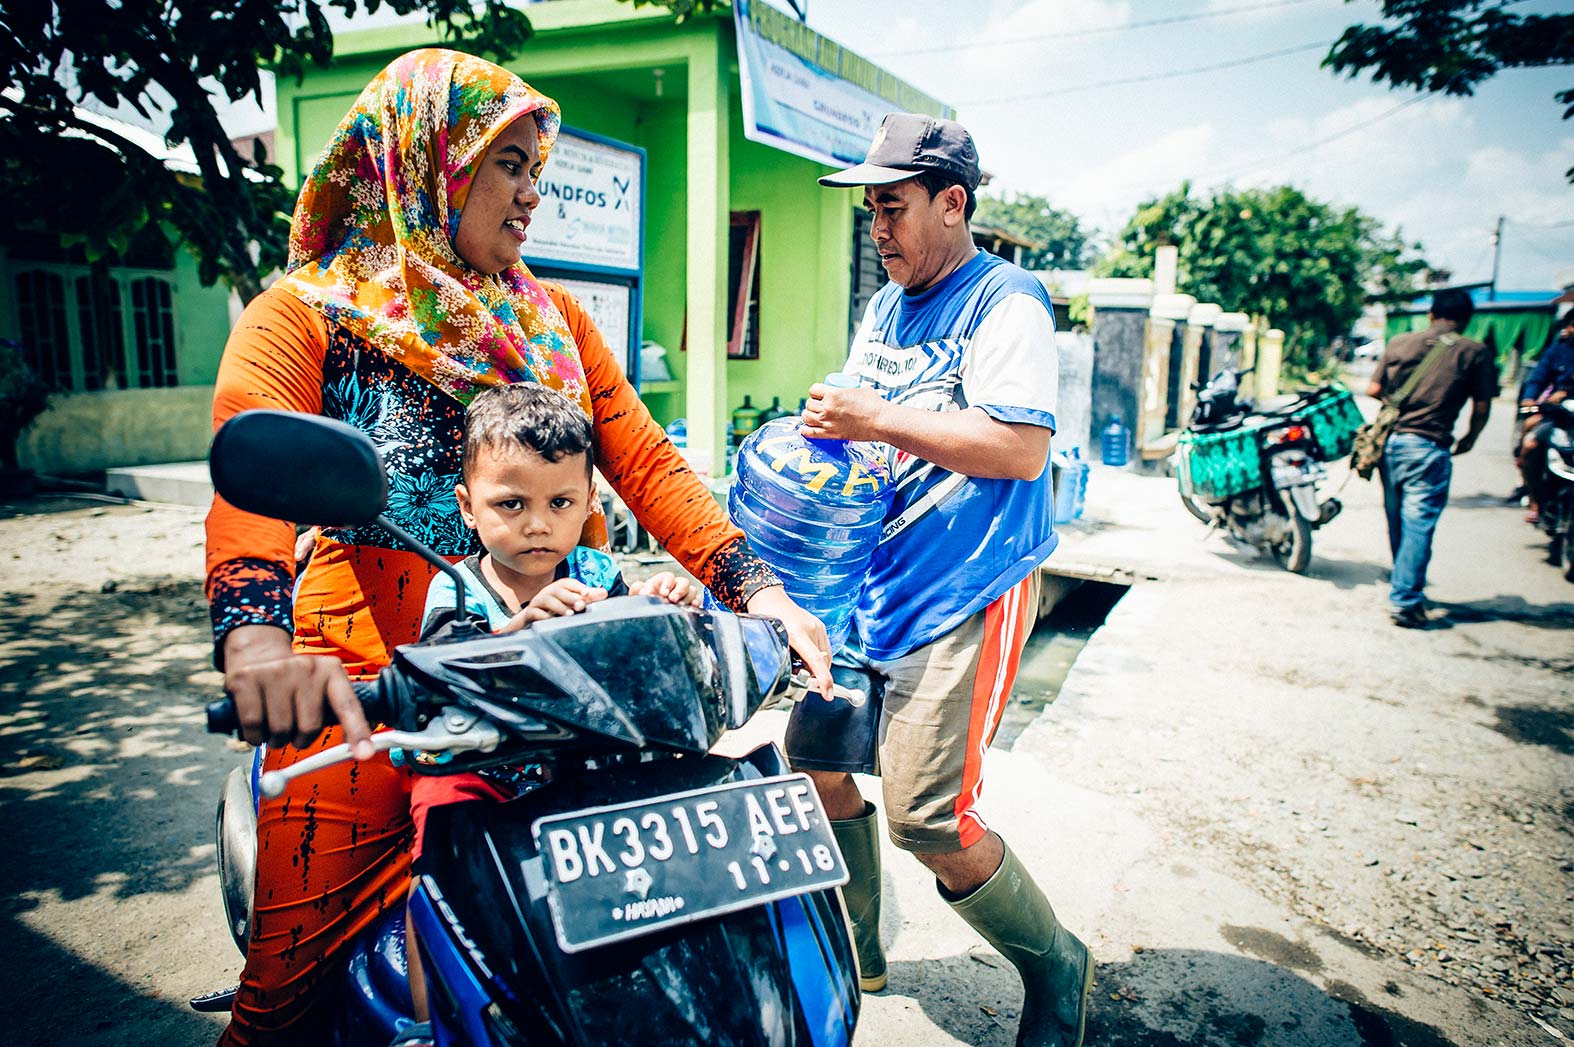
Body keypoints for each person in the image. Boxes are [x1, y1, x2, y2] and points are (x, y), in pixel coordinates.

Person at [205, 48, 832, 1045]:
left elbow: (647, 463)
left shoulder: (550, 320)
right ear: (429, 160)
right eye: (509, 163)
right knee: (288, 984)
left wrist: (754, 590)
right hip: (371, 670)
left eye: (538, 168)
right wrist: (254, 642)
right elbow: (250, 475)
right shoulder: (309, 312)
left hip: (559, 649)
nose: (531, 193)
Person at [794, 112, 1091, 1047]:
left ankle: (1059, 969)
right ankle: (860, 945)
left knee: (929, 819)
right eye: (869, 212)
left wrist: (873, 416)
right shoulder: (886, 304)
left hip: (966, 591)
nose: (876, 229)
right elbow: (867, 425)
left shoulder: (1006, 301)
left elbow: (1019, 446)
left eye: (892, 208)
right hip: (870, 587)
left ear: (952, 203)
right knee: (816, 762)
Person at [398, 383, 698, 1042]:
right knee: (436, 867)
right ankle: (428, 1021)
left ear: (590, 502)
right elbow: (447, 663)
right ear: (468, 507)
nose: (538, 524)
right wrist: (520, 629)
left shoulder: (595, 569)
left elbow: (632, 649)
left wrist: (659, 600)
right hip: (478, 769)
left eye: (560, 502)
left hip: (577, 766)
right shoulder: (455, 586)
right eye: (512, 504)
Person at [1366, 288, 1497, 628]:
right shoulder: (1474, 352)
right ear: (1467, 319)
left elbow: (1373, 390)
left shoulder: (1399, 344)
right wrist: (1470, 436)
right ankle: (1406, 599)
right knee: (1418, 523)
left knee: (1398, 519)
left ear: (1431, 314)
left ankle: (1403, 584)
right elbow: (1482, 405)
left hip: (1390, 443)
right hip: (1428, 446)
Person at [1516, 314, 1574, 522]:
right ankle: (1535, 499)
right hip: (1560, 416)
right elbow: (1538, 378)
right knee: (1531, 445)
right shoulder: (1558, 351)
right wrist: (1530, 398)